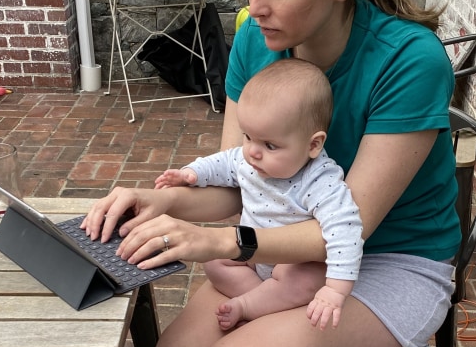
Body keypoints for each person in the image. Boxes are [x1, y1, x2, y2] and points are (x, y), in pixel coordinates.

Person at [81, 0, 460, 347]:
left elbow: (345, 229)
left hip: (391, 260)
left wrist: (218, 244)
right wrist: (161, 201)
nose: (256, 6)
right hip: (279, 249)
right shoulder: (256, 45)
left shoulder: (409, 61)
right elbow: (245, 182)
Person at [154, 58, 363, 331]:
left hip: (292, 263)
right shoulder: (251, 159)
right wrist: (192, 173)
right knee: (214, 263)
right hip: (252, 256)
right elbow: (224, 162)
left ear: (313, 144)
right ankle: (263, 299)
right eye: (247, 136)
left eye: (270, 145)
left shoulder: (320, 180)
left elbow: (345, 231)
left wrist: (335, 290)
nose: (252, 151)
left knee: (307, 279)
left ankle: (248, 306)